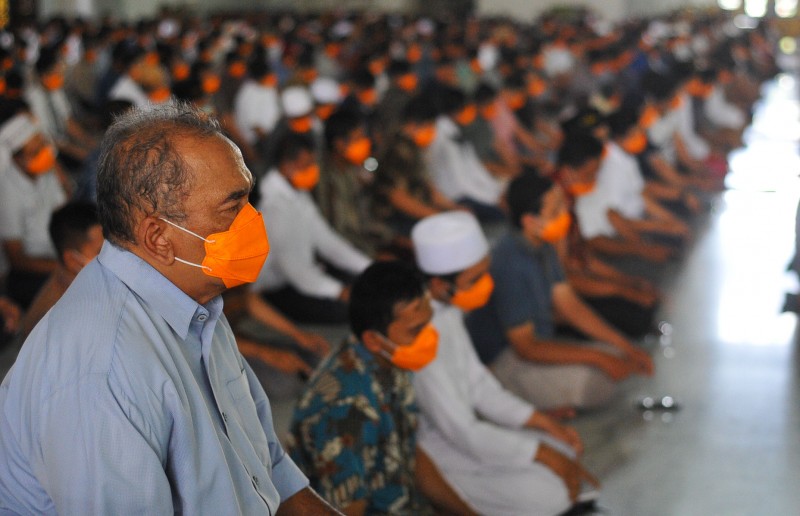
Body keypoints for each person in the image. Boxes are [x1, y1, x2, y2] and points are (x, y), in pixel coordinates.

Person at [0, 102, 340, 514]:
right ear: (160, 238)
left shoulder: (194, 297)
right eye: (233, 208)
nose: (253, 221)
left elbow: (269, 470)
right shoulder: (102, 373)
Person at [411, 211, 597, 516]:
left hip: (467, 439)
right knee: (551, 493)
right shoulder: (418, 336)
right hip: (441, 454)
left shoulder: (448, 311)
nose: (486, 285)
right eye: (475, 279)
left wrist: (542, 422)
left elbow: (480, 387)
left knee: (563, 448)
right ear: (439, 284)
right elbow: (462, 431)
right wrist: (540, 453)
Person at [290, 261, 474, 515]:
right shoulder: (344, 410)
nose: (429, 337)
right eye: (416, 330)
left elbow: (407, 453)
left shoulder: (389, 358)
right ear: (374, 340)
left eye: (428, 323)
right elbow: (348, 509)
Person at [466, 172, 654, 411]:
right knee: (595, 383)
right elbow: (526, 348)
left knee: (618, 354)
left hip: (539, 341)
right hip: (504, 357)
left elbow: (569, 304)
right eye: (555, 212)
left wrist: (627, 347)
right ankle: (503, 391)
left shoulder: (542, 245)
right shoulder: (510, 263)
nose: (564, 217)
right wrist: (599, 358)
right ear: (529, 221)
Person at [254, 132, 371, 324]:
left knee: (367, 286)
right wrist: (339, 291)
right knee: (356, 311)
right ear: (286, 165)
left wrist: (367, 267)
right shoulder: (273, 207)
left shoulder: (297, 193)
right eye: (306, 165)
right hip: (278, 290)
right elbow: (296, 272)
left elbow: (327, 241)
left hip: (306, 276)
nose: (313, 170)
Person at [0, 110, 69, 309]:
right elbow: (17, 259)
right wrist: (61, 267)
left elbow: (62, 207)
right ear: (16, 159)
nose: (44, 154)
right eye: (35, 152)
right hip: (31, 271)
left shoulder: (44, 171)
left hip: (60, 251)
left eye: (43, 146)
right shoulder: (7, 191)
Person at [19, 201, 104, 340]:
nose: (113, 255)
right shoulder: (59, 318)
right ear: (72, 260)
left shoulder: (77, 281)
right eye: (101, 251)